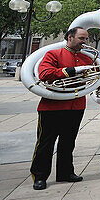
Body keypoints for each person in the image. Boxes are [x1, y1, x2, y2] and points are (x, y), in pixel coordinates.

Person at [30, 26, 93, 190]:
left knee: (68, 142)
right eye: (81, 38)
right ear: (70, 38)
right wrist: (72, 71)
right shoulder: (53, 54)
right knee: (46, 143)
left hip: (76, 105)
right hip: (52, 106)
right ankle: (40, 176)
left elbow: (98, 74)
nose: (85, 42)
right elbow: (45, 74)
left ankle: (65, 172)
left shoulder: (87, 59)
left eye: (86, 39)